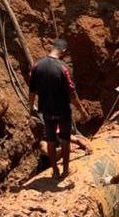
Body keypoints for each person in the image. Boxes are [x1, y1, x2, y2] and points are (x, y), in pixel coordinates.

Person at [28, 39, 90, 179]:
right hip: (62, 111)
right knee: (65, 140)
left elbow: (31, 91)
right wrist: (82, 111)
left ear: (53, 48)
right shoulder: (63, 68)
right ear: (63, 51)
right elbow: (72, 94)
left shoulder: (37, 66)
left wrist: (30, 108)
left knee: (50, 141)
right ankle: (65, 171)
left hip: (46, 111)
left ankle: (55, 170)